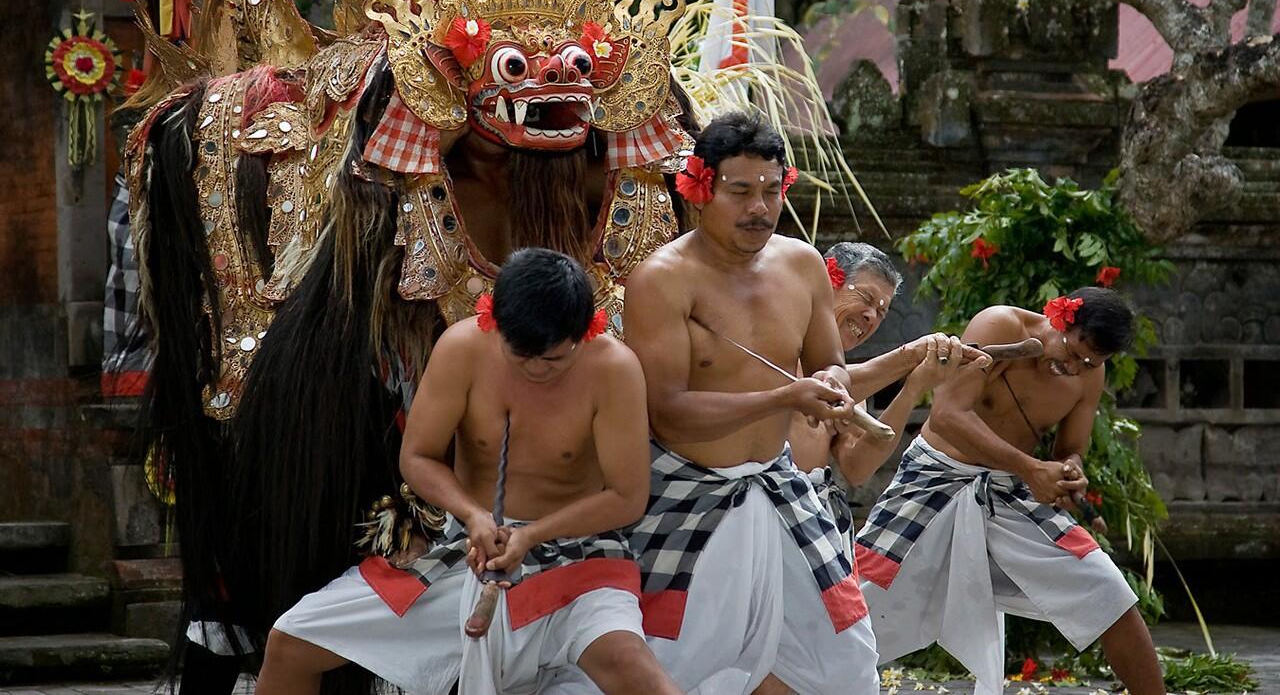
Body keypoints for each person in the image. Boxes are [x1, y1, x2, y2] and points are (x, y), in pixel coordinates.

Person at [256, 249, 681, 695]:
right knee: (291, 642)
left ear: (584, 333)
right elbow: (417, 456)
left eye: (554, 359)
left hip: (580, 557)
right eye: (523, 356)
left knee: (634, 672)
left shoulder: (614, 368)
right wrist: (475, 516)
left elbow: (626, 497)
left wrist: (531, 536)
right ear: (494, 322)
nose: (537, 369)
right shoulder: (462, 348)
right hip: (466, 548)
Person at [573, 111, 880, 694]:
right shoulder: (662, 279)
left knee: (844, 659)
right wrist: (784, 396)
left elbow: (828, 360)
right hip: (687, 493)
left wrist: (834, 384)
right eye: (740, 192)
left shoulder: (801, 264)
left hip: (781, 487)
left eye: (771, 191)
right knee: (670, 662)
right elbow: (664, 411)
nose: (759, 209)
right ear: (701, 189)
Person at [855, 288, 1166, 695]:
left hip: (1009, 491)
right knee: (855, 600)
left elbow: (1071, 447)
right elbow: (947, 415)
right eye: (1073, 353)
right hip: (934, 477)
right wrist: (1031, 468)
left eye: (1090, 363)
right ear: (1060, 318)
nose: (1074, 369)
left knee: (1107, 588)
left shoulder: (1089, 374)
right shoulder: (1001, 324)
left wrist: (1070, 469)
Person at [784, 242, 979, 555]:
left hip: (812, 513)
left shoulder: (847, 379)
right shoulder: (779, 343)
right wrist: (908, 356)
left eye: (882, 311)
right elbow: (818, 386)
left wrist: (912, 389)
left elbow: (858, 467)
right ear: (826, 282)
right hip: (763, 501)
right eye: (866, 298)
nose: (871, 316)